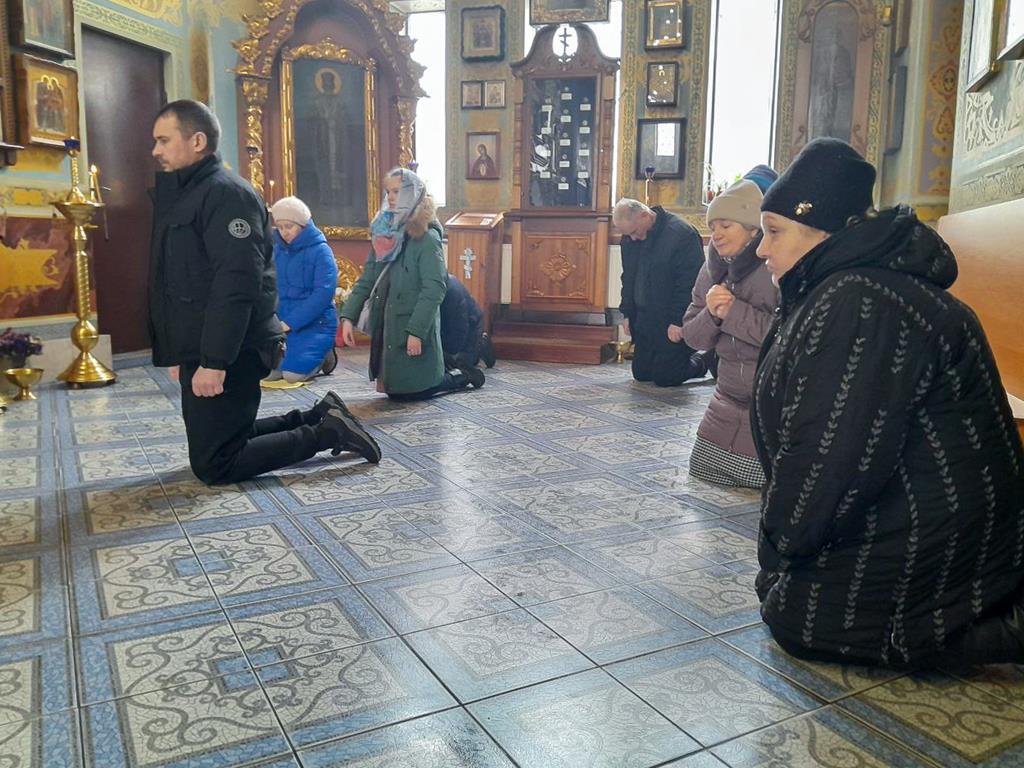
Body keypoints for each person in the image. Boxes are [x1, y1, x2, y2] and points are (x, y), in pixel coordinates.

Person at [752, 137, 1024, 667]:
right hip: (907, 508)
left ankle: (998, 627)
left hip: (939, 531)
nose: (762, 249)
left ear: (821, 230)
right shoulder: (844, 286)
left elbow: (831, 453)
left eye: (774, 231)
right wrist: (783, 551)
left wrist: (782, 545)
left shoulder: (860, 300)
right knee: (788, 597)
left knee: (804, 621)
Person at [148, 100, 379, 485]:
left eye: (164, 140)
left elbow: (235, 283)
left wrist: (214, 361)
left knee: (216, 463)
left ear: (197, 141)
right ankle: (316, 416)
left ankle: (328, 433)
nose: (156, 150)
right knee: (220, 441)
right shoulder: (192, 194)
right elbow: (181, 281)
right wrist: (180, 350)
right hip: (204, 342)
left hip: (234, 346)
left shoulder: (226, 195)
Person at [340, 168, 485, 399]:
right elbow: (368, 278)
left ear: (413, 194)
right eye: (388, 191)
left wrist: (416, 331)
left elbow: (434, 288)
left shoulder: (426, 237)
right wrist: (348, 316)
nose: (391, 197)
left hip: (413, 323)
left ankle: (462, 375)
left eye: (397, 191)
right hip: (390, 323)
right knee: (396, 392)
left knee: (418, 390)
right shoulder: (384, 234)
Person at [682, 179, 777, 488]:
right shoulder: (711, 269)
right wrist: (711, 314)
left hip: (768, 405)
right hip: (725, 399)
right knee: (705, 475)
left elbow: (787, 337)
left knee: (759, 485)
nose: (717, 234)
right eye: (713, 227)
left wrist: (733, 312)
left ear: (753, 230)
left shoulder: (775, 267)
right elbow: (692, 337)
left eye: (726, 225)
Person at [614, 198, 708, 386]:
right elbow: (628, 277)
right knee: (642, 373)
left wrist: (678, 321)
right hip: (645, 318)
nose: (633, 238)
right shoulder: (630, 239)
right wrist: (628, 314)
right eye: (628, 234)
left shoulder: (682, 234)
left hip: (669, 318)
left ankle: (705, 360)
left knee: (666, 377)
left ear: (645, 216)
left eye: (634, 232)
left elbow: (690, 283)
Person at [264, 196, 338, 383]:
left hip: (316, 323)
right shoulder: (277, 250)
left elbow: (323, 294)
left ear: (302, 225)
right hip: (283, 325)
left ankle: (326, 356)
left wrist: (291, 322)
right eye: (280, 227)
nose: (284, 232)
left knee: (292, 376)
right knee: (270, 374)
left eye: (289, 226)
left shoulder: (321, 251)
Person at [440, 273, 496, 370]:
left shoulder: (452, 293)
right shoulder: (441, 283)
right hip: (453, 325)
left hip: (471, 326)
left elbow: (460, 327)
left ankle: (481, 343)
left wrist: (450, 353)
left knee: (459, 364)